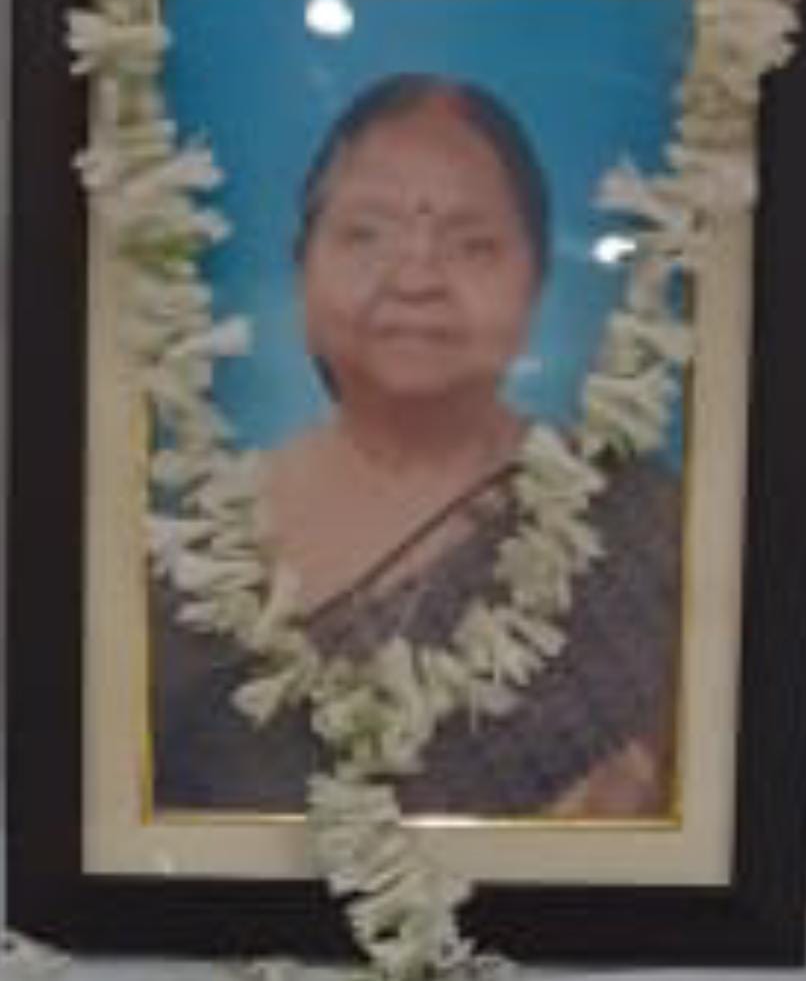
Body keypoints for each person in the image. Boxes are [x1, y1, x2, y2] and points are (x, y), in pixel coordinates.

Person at [153, 74, 681, 818]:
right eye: (366, 235)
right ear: (302, 274)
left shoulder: (639, 523)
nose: (417, 277)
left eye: (472, 245)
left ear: (535, 284)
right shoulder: (196, 550)